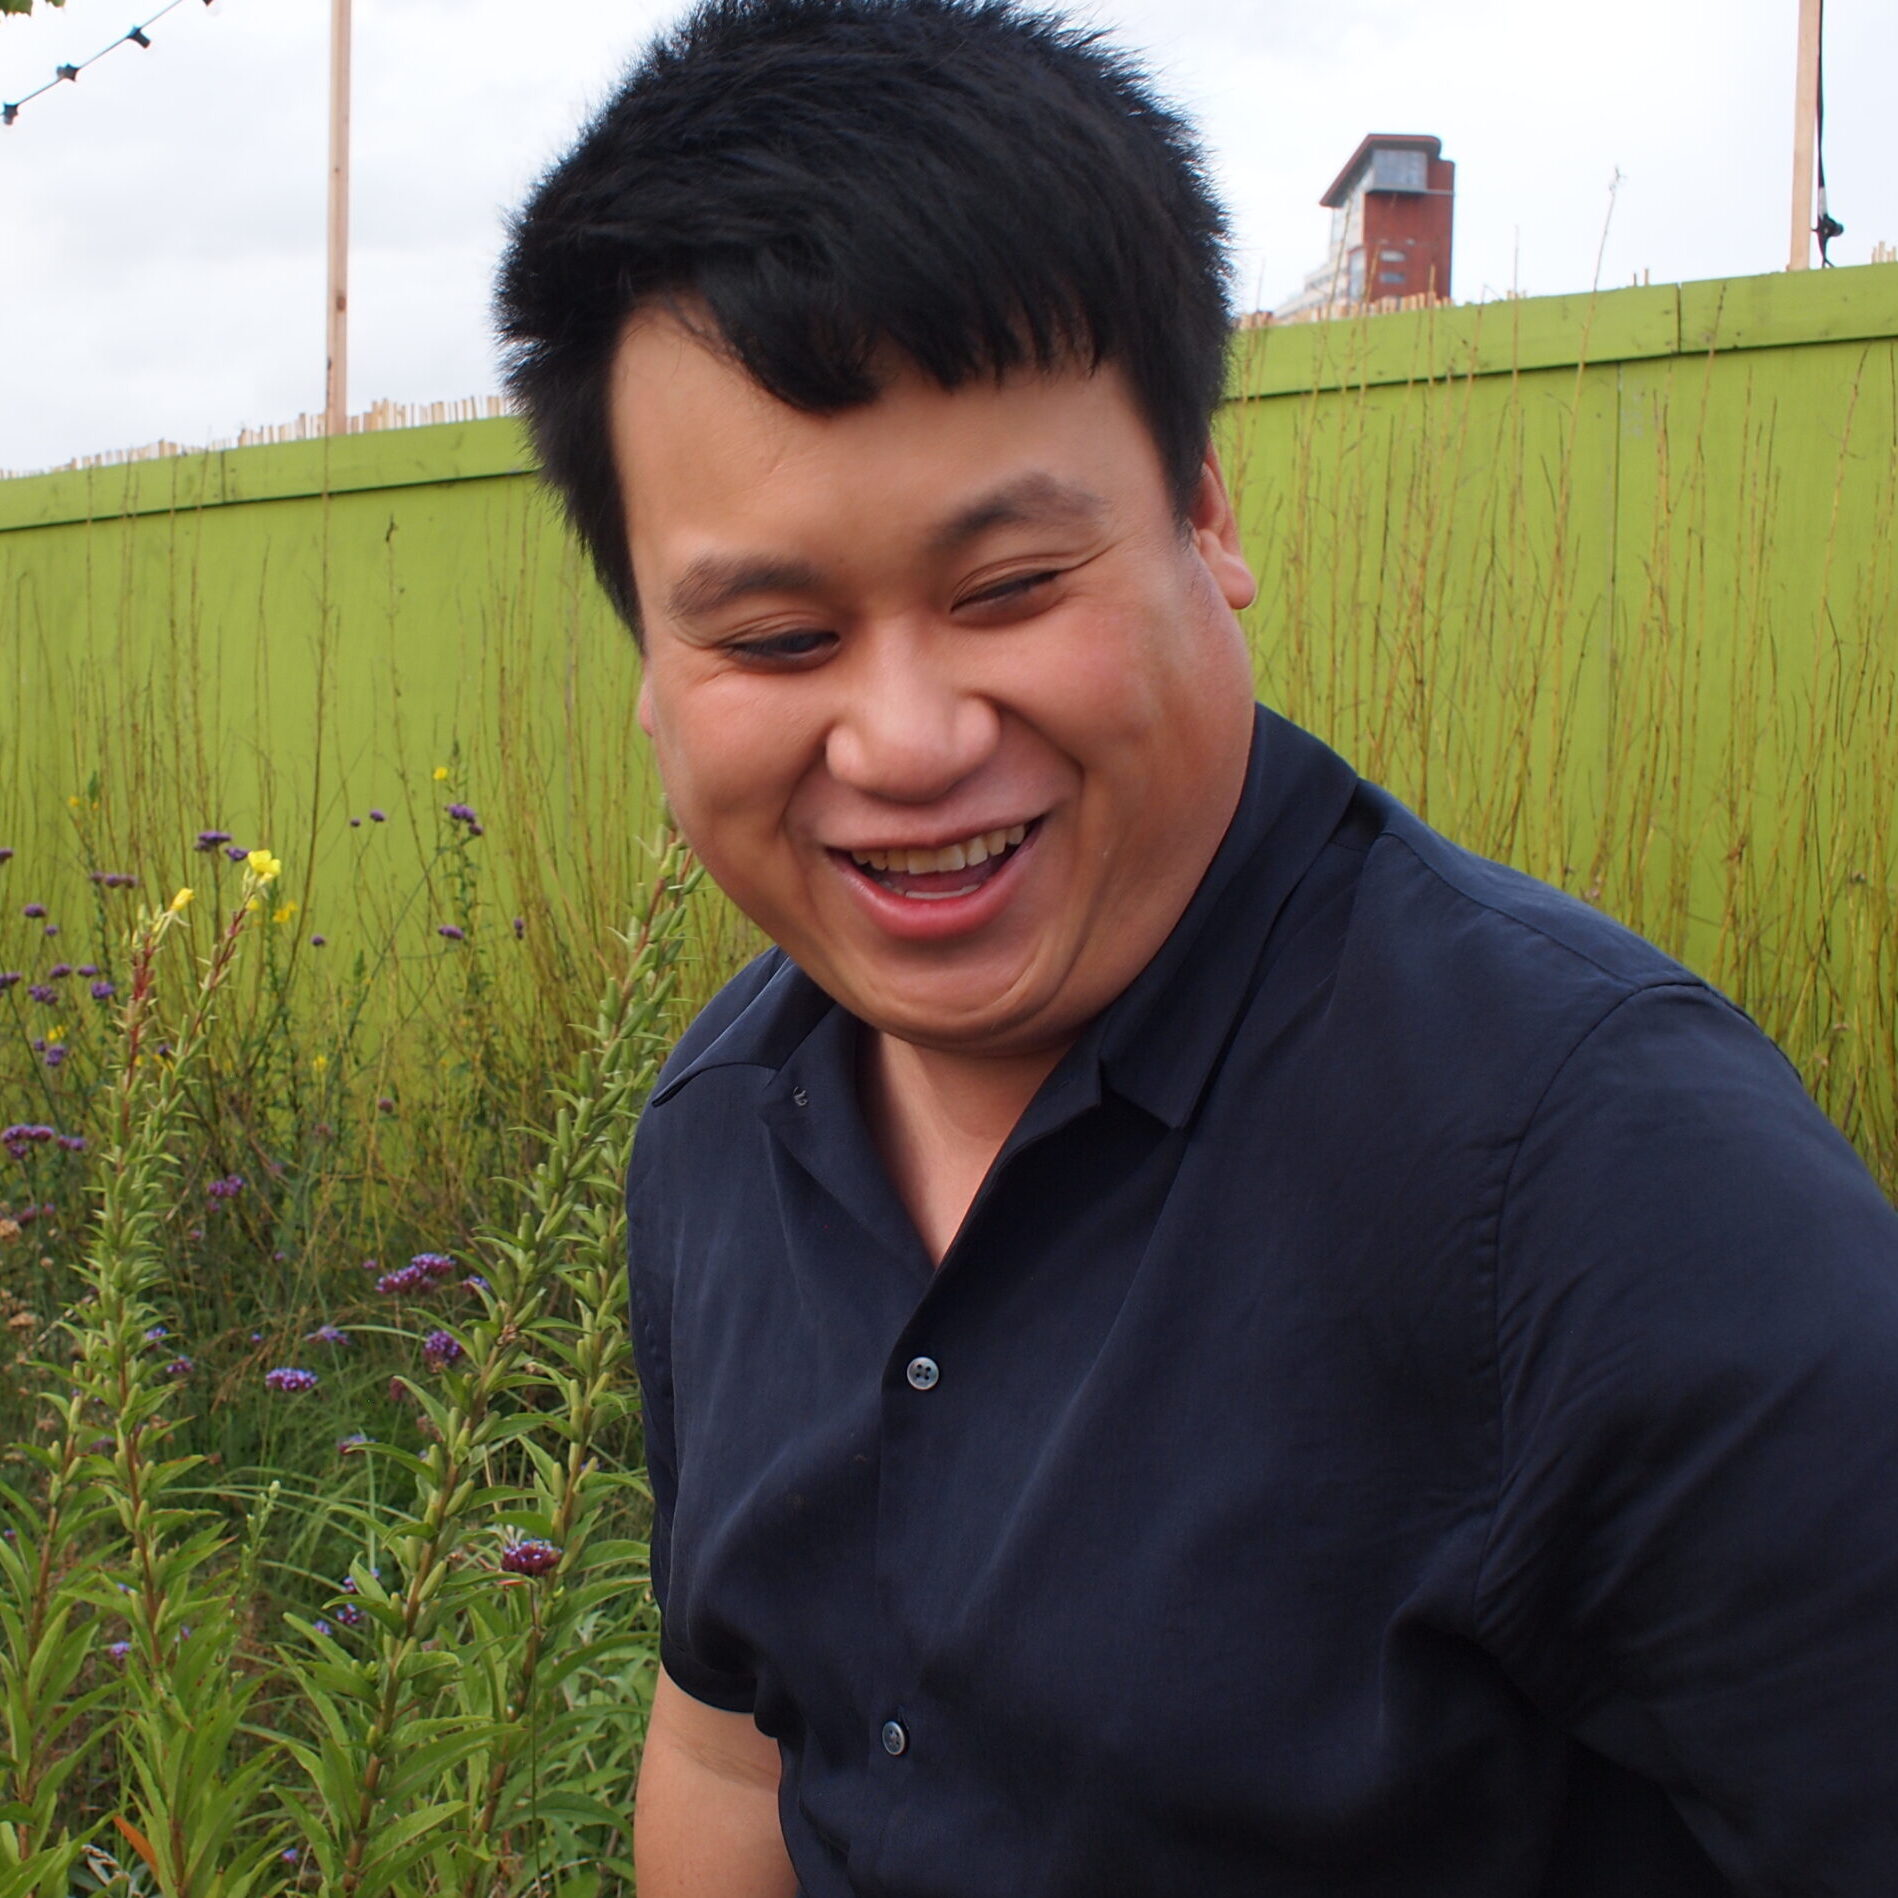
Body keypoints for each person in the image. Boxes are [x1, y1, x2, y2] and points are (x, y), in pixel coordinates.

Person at [495, 2, 1898, 1891]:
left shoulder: (1603, 1175)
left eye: (1007, 589)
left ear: (1203, 515)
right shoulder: (716, 1125)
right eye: (774, 639)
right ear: (654, 668)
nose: (905, 743)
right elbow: (736, 1748)